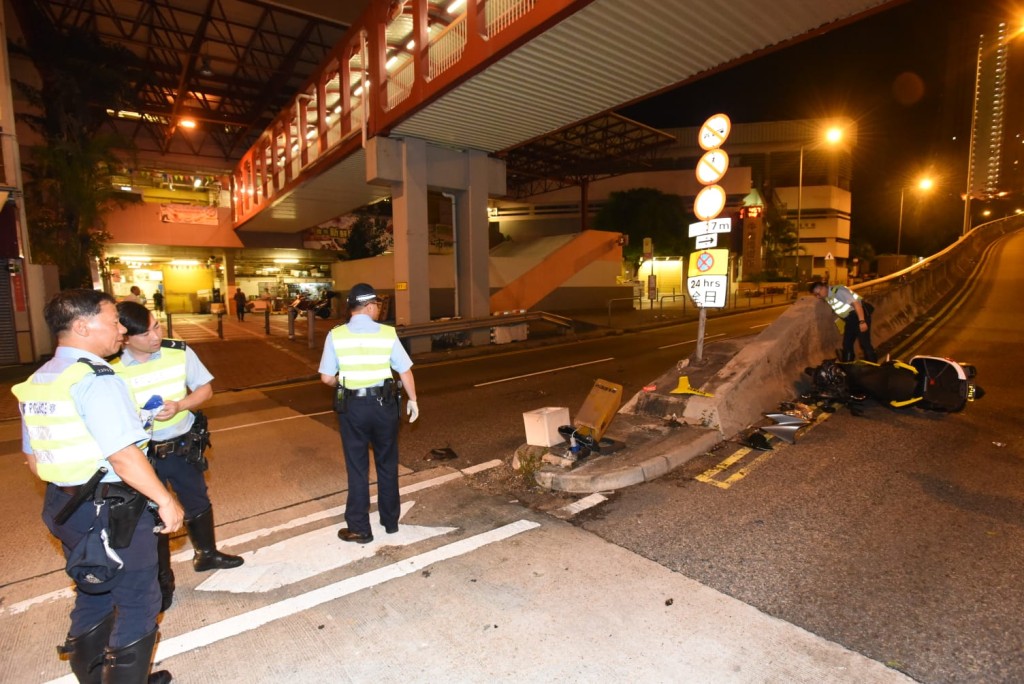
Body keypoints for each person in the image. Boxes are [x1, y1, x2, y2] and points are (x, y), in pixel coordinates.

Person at [12, 289, 184, 683]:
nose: (121, 329)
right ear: (82, 325)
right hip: (111, 511)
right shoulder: (96, 379)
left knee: (94, 590)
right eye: (113, 321)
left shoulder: (39, 381)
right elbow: (124, 455)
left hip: (65, 506)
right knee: (139, 598)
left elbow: (36, 462)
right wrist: (164, 500)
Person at [113, 301, 243, 611]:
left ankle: (206, 554)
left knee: (198, 501)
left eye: (156, 326)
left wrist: (181, 405)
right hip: (143, 456)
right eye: (145, 333)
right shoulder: (111, 368)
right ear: (126, 337)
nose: (155, 336)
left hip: (183, 445)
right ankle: (161, 581)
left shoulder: (179, 351)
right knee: (154, 517)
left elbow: (205, 389)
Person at [318, 283, 419, 544]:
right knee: (387, 462)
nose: (378, 310)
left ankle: (360, 528)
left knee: (357, 467)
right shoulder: (387, 333)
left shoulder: (336, 335)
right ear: (370, 306)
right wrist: (413, 400)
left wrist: (343, 379)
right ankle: (390, 522)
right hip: (385, 407)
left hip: (353, 408)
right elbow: (404, 370)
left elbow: (326, 377)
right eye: (377, 306)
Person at [808, 281, 878, 362]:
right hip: (850, 320)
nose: (818, 297)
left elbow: (856, 304)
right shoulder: (828, 296)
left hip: (858, 316)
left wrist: (862, 321)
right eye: (815, 295)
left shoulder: (839, 291)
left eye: (818, 294)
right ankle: (848, 364)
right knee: (847, 344)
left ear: (823, 288)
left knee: (864, 343)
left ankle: (873, 364)